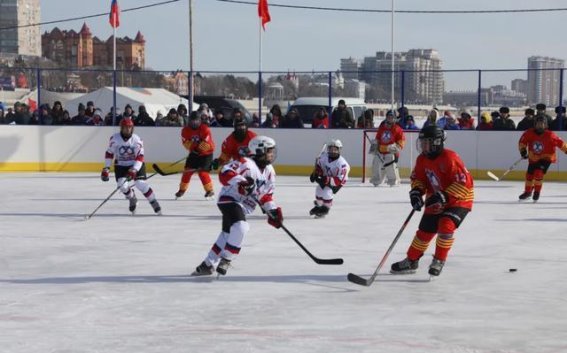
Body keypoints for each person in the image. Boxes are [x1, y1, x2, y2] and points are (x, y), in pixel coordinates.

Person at [191, 135, 282, 277]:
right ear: (259, 151)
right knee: (241, 227)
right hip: (229, 199)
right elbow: (224, 173)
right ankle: (227, 258)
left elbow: (266, 195)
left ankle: (207, 265)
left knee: (227, 234)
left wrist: (272, 210)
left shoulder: (270, 171)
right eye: (269, 150)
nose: (272, 154)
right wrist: (242, 181)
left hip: (244, 205)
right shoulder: (246, 163)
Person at [390, 125, 474, 277]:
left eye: (426, 142)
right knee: (424, 232)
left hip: (459, 200)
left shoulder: (450, 157)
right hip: (435, 198)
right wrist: (416, 193)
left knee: (445, 225)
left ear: (436, 142)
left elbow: (464, 182)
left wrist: (444, 196)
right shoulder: (422, 159)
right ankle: (412, 260)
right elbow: (418, 179)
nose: (422, 146)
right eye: (421, 142)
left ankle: (439, 260)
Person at [101, 118, 162, 215]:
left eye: (129, 127)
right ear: (121, 128)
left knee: (140, 183)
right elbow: (109, 153)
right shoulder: (114, 139)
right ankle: (132, 197)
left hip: (135, 164)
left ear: (132, 128)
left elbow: (140, 156)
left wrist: (134, 169)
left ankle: (153, 201)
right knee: (122, 185)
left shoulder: (136, 139)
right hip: (121, 165)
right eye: (125, 128)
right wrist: (106, 168)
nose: (127, 130)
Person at [517, 114, 567, 202]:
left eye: (542, 124)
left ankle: (537, 192)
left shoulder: (550, 135)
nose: (540, 125)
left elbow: (561, 143)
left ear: (546, 125)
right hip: (533, 158)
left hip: (546, 158)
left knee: (538, 173)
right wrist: (523, 151)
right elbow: (522, 142)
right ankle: (528, 192)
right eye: (538, 124)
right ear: (535, 124)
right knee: (529, 176)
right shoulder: (529, 132)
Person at [175, 111, 216, 200]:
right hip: (194, 153)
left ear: (200, 120)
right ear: (189, 121)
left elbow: (206, 144)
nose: (194, 123)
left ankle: (209, 191)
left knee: (202, 172)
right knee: (187, 171)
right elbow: (186, 143)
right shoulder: (185, 130)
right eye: (192, 121)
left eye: (196, 121)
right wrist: (193, 149)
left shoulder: (205, 129)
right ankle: (182, 190)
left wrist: (197, 148)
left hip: (206, 154)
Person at [308, 139, 350, 218]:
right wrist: (315, 174)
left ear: (339, 150)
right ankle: (319, 206)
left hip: (337, 182)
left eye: (335, 149)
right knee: (319, 190)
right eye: (331, 149)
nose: (333, 151)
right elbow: (320, 167)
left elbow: (340, 179)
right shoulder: (324, 156)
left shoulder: (342, 164)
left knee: (327, 192)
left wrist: (327, 180)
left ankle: (326, 208)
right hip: (326, 177)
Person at [369, 110, 405, 187]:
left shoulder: (398, 129)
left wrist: (395, 147)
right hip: (381, 151)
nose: (390, 119)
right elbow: (378, 138)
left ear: (395, 118)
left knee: (390, 163)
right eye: (388, 117)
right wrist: (374, 145)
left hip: (391, 153)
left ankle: (393, 180)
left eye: (391, 117)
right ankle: (376, 179)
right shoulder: (382, 127)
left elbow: (401, 141)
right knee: (376, 162)